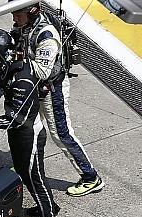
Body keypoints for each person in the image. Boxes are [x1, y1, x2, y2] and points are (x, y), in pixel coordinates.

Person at [0, 28, 59, 217]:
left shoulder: (23, 79)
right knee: (23, 171)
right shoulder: (10, 68)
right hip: (19, 133)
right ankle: (48, 205)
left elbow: (16, 119)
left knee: (34, 176)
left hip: (28, 133)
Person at [9, 0, 103, 197]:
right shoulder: (22, 27)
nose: (15, 18)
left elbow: (43, 71)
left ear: (31, 12)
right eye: (13, 14)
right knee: (30, 131)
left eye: (19, 14)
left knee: (62, 134)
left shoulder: (47, 35)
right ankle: (25, 168)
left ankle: (90, 177)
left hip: (52, 90)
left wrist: (17, 61)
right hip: (32, 88)